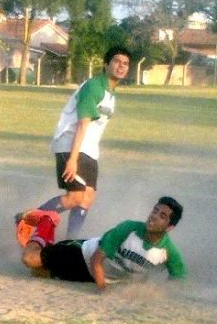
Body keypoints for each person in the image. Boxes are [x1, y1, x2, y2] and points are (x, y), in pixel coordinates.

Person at [27, 46, 131, 239]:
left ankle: (70, 241)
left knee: (87, 198)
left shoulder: (110, 93)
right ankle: (27, 220)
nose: (121, 66)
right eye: (117, 61)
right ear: (106, 64)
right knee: (75, 197)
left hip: (89, 149)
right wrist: (72, 159)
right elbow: (82, 124)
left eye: (125, 64)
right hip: (71, 145)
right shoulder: (94, 87)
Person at [18, 197, 186, 291]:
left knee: (37, 274)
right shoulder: (128, 229)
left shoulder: (169, 252)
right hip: (81, 254)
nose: (154, 216)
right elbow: (96, 260)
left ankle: (46, 240)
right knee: (30, 260)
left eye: (162, 216)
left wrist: (156, 293)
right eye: (155, 211)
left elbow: (178, 280)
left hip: (91, 278)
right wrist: (103, 291)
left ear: (170, 227)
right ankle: (47, 220)